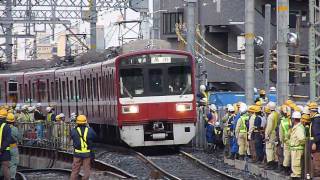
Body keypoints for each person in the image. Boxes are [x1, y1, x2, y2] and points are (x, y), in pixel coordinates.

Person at [70, 115, 96, 180]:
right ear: (85, 122)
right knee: (86, 170)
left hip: (77, 154)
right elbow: (94, 137)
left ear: (77, 122)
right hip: (87, 154)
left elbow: (72, 136)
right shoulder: (90, 130)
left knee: (75, 170)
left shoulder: (73, 130)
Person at [289, 111, 305, 179]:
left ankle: (296, 176)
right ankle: (295, 175)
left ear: (294, 119)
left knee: (296, 164)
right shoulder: (297, 126)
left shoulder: (298, 128)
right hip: (295, 148)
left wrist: (298, 145)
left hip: (297, 149)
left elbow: (301, 138)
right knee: (295, 164)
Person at [6, 113, 21, 179]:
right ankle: (12, 177)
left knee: (4, 164)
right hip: (13, 147)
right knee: (13, 164)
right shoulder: (15, 129)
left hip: (5, 148)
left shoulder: (4, 128)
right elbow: (19, 138)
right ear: (13, 121)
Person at [265, 102, 279, 170]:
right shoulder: (277, 114)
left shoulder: (270, 116)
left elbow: (269, 127)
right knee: (275, 149)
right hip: (276, 133)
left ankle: (270, 163)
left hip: (271, 134)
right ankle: (275, 162)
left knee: (269, 148)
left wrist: (267, 135)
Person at [279, 104, 292, 175]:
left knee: (286, 155)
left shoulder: (282, 122)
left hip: (286, 141)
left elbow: (281, 134)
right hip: (293, 140)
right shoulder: (292, 120)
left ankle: (286, 169)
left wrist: (281, 141)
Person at [309, 102, 320, 177]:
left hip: (317, 145)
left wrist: (314, 143)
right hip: (317, 144)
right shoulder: (315, 119)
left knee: (317, 163)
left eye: (309, 111)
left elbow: (316, 133)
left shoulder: (316, 120)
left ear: (312, 111)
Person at [0, 109, 12, 180]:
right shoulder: (7, 127)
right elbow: (8, 140)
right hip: (5, 152)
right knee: (6, 168)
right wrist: (1, 149)